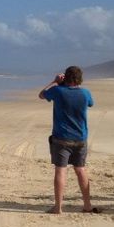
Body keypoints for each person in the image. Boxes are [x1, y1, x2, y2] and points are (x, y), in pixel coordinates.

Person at [39, 65, 96, 214]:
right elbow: (91, 103)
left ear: (66, 77)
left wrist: (55, 81)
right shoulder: (85, 93)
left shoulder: (57, 91)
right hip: (80, 138)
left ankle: (58, 207)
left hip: (61, 138)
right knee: (80, 170)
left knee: (60, 170)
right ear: (80, 78)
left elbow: (41, 94)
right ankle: (87, 205)